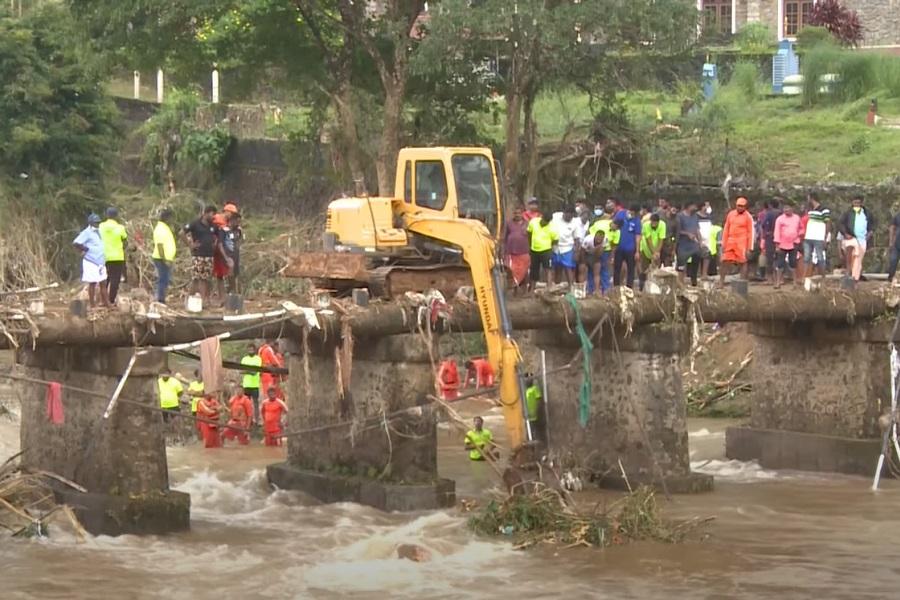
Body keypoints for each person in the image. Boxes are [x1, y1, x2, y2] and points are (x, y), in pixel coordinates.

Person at [73, 214, 110, 309]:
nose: (97, 224)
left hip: (100, 261)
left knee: (103, 282)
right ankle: (92, 304)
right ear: (90, 222)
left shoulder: (99, 231)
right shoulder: (87, 232)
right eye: (95, 222)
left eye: (98, 222)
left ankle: (107, 303)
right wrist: (86, 249)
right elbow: (76, 243)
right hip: (91, 260)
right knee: (92, 283)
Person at [184, 205, 220, 303]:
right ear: (206, 213)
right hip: (198, 255)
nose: (213, 217)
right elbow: (181, 233)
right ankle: (193, 299)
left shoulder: (213, 225)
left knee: (206, 278)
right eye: (212, 214)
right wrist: (190, 245)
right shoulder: (195, 223)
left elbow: (218, 236)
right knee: (197, 278)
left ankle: (205, 299)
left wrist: (214, 244)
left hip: (209, 255)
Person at [720, 197, 755, 285]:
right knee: (724, 261)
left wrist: (749, 248)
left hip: (742, 242)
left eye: (742, 206)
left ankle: (742, 284)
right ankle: (721, 282)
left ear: (745, 207)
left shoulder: (748, 217)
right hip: (730, 241)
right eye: (739, 206)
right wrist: (723, 243)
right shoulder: (731, 214)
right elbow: (726, 229)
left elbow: (751, 233)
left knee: (742, 262)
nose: (740, 208)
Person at [839, 195, 874, 282]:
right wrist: (846, 234)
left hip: (862, 239)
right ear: (852, 203)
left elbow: (871, 227)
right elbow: (841, 224)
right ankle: (848, 272)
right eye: (855, 203)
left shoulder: (867, 213)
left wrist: (869, 235)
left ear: (861, 203)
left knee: (858, 259)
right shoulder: (848, 213)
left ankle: (855, 278)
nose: (856, 205)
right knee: (850, 252)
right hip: (851, 237)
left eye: (858, 203)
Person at [98, 207, 128, 305]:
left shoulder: (101, 226)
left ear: (107, 215)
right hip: (117, 257)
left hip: (104, 256)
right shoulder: (120, 228)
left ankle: (103, 300)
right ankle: (111, 300)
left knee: (104, 279)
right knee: (115, 279)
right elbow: (125, 241)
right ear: (116, 216)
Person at [800, 193, 831, 280]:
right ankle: (804, 276)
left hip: (818, 237)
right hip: (808, 236)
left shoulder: (824, 209)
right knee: (806, 257)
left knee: (820, 257)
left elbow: (828, 223)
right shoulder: (810, 210)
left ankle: (822, 276)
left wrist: (825, 237)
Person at [773, 202, 802, 289]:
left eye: (788, 208)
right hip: (782, 243)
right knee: (780, 263)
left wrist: (799, 235)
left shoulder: (797, 218)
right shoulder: (779, 219)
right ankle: (778, 282)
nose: (786, 210)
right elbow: (777, 231)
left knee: (793, 263)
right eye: (785, 208)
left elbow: (801, 228)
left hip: (794, 243)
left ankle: (794, 283)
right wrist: (777, 245)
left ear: (792, 209)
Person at [152, 208, 177, 304]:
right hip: (161, 258)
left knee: (165, 279)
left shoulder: (164, 228)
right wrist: (164, 259)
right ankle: (160, 299)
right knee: (163, 279)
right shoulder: (160, 229)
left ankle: (160, 298)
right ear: (167, 218)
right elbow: (160, 245)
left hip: (166, 258)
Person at [527, 213, 558, 289]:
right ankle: (532, 292)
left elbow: (555, 240)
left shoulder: (552, 228)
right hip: (534, 250)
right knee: (533, 271)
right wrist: (530, 245)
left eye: (547, 222)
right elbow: (529, 233)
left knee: (548, 269)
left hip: (546, 251)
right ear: (541, 217)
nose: (545, 223)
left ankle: (549, 289)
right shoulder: (533, 222)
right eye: (544, 221)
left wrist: (552, 250)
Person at [215, 211, 243, 297]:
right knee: (227, 275)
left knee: (235, 275)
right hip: (227, 256)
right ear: (232, 220)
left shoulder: (238, 230)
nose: (238, 224)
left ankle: (234, 294)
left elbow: (241, 239)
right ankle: (228, 294)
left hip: (236, 256)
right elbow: (220, 244)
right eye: (237, 221)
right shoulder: (224, 230)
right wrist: (226, 257)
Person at [613, 206, 642, 289]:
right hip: (619, 247)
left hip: (630, 249)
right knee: (617, 268)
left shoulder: (637, 221)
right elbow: (613, 225)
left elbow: (637, 236)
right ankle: (616, 288)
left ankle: (629, 288)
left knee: (631, 270)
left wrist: (637, 251)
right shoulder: (621, 214)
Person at [503, 205, 531, 291]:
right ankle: (515, 290)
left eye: (519, 213)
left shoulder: (527, 223)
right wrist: (503, 250)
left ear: (522, 214)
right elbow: (505, 237)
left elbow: (531, 237)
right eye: (515, 213)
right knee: (512, 271)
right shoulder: (509, 223)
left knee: (525, 271)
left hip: (524, 251)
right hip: (511, 252)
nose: (517, 215)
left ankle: (525, 290)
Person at [676, 202, 702, 286]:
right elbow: (677, 231)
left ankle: (693, 281)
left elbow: (697, 229)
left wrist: (700, 241)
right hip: (683, 244)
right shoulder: (680, 216)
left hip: (693, 244)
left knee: (696, 258)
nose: (695, 208)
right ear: (689, 206)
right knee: (681, 264)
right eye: (694, 206)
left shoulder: (695, 216)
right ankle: (680, 283)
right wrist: (687, 234)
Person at [638, 213, 666, 291]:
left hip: (657, 249)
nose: (653, 224)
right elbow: (648, 240)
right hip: (646, 249)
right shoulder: (646, 225)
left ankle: (655, 287)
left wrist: (657, 252)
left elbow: (661, 239)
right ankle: (642, 287)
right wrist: (654, 252)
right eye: (652, 222)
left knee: (656, 269)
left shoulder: (662, 225)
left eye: (655, 222)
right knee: (644, 268)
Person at [551, 206, 578, 286]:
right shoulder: (555, 217)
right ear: (564, 213)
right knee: (557, 269)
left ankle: (571, 288)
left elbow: (576, 239)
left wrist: (576, 251)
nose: (569, 217)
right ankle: (556, 287)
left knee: (568, 268)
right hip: (555, 248)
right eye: (567, 215)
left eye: (571, 216)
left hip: (567, 248)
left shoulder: (575, 223)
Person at [580, 229, 606, 295]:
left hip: (595, 255)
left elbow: (599, 254)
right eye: (598, 237)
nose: (599, 239)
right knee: (582, 269)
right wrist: (584, 262)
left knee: (597, 270)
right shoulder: (588, 239)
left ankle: (596, 290)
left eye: (601, 238)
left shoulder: (605, 241)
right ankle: (582, 289)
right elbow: (582, 251)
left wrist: (598, 247)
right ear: (595, 236)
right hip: (585, 253)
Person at [762, 199, 782, 283]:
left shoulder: (769, 213)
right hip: (781, 237)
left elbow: (764, 224)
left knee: (769, 257)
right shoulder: (781, 213)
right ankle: (780, 278)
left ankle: (770, 278)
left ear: (770, 205)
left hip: (770, 237)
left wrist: (766, 233)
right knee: (780, 257)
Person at [240, 344, 263, 420]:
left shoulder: (258, 359)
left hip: (255, 384)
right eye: (249, 349)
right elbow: (241, 371)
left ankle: (257, 419)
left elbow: (255, 372)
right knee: (246, 404)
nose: (250, 351)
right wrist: (250, 371)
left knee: (255, 403)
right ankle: (248, 420)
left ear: (255, 350)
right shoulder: (244, 359)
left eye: (252, 349)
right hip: (246, 384)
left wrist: (247, 371)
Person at [525, 377, 543, 441]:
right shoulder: (525, 391)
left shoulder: (534, 389)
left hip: (533, 414)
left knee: (535, 429)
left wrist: (536, 410)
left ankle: (536, 441)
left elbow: (538, 399)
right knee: (530, 430)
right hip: (528, 414)